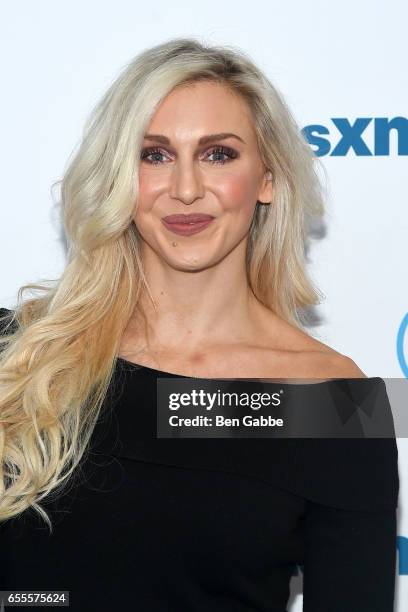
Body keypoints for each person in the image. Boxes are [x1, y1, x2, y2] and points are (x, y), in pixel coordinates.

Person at [0, 37, 399, 611]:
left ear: (268, 178)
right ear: (119, 177)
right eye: (154, 155)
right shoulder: (21, 353)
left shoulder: (333, 403)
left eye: (219, 154)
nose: (186, 188)